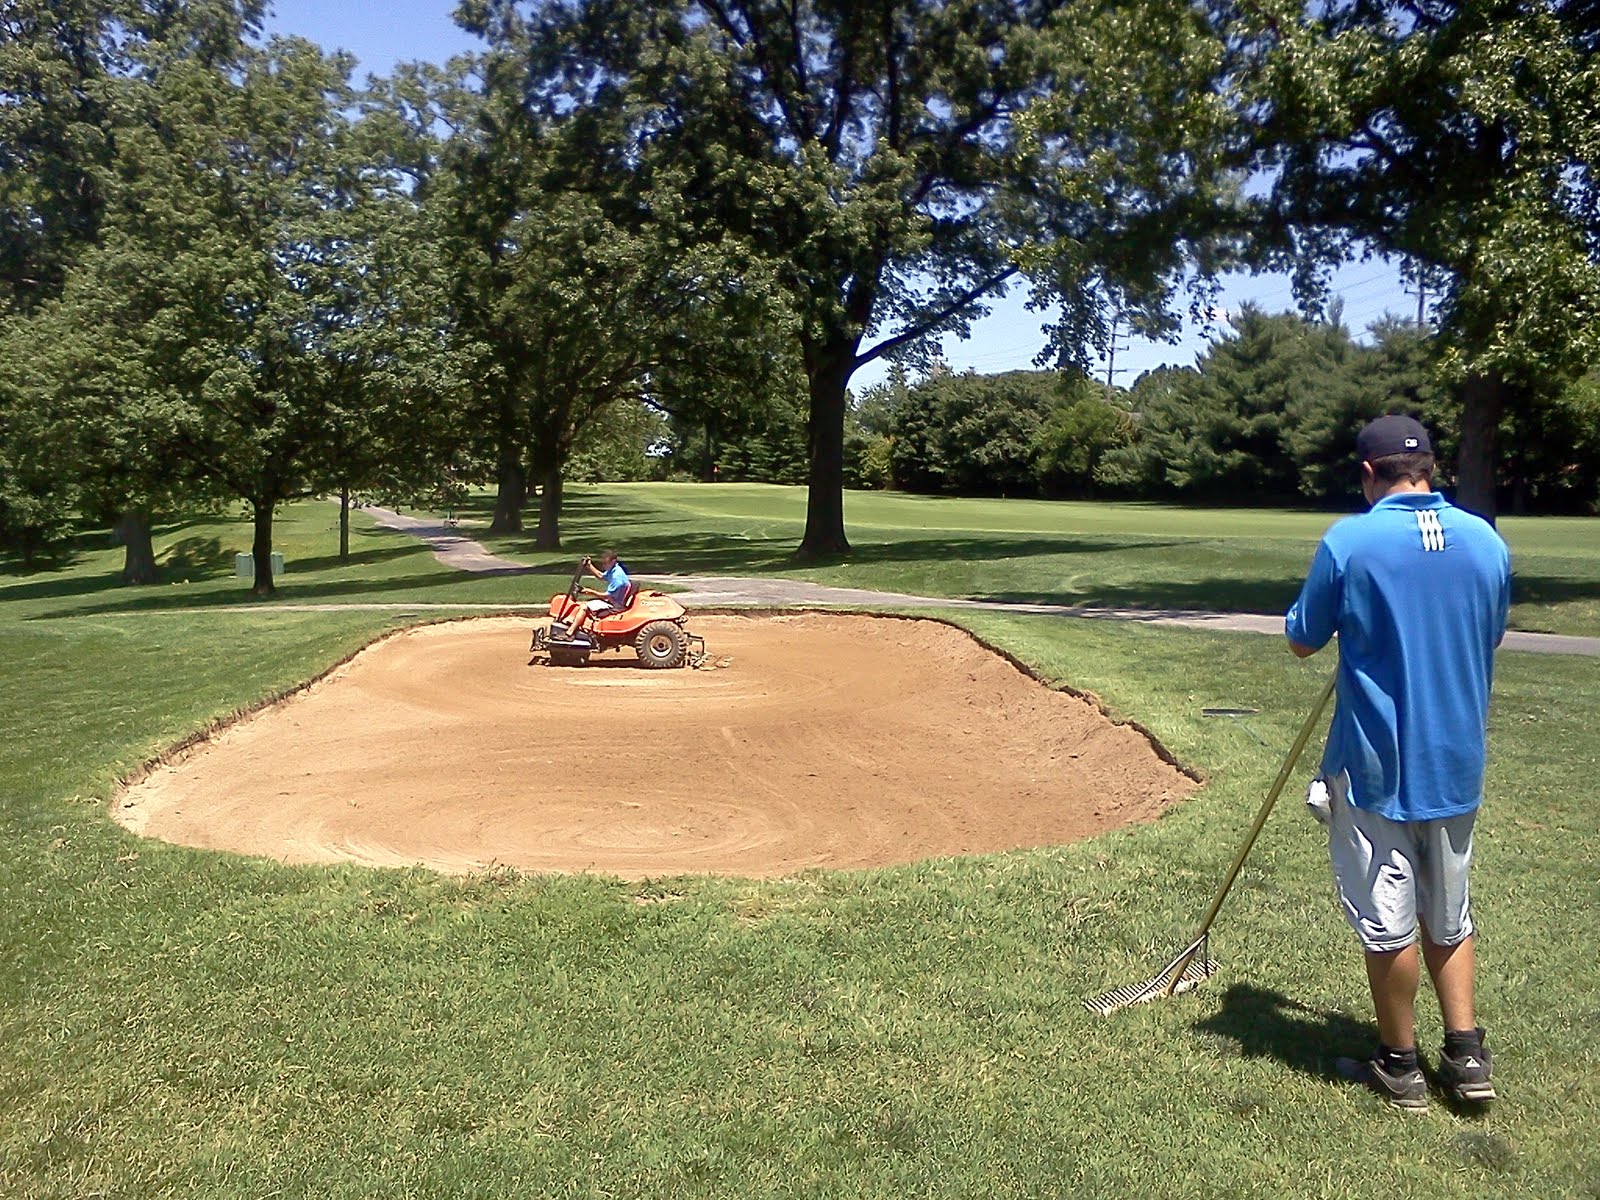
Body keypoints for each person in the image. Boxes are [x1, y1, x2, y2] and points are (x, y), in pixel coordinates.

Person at [1285, 414, 1511, 1111]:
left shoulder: (1350, 540)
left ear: (1366, 475)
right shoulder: (1486, 540)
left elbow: (1301, 638)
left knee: (1388, 920)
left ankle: (1400, 1063)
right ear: (1431, 468)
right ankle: (1467, 1055)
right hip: (1458, 762)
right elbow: (1490, 632)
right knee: (1450, 913)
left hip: (1377, 769)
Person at [557, 550, 631, 641]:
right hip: (613, 600)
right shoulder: (614, 569)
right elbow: (601, 576)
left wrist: (590, 591)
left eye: (606, 563)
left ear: (614, 561)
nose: (604, 565)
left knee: (584, 607)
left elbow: (606, 596)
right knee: (589, 604)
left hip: (614, 605)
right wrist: (589, 566)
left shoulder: (617, 577)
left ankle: (569, 633)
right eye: (603, 563)